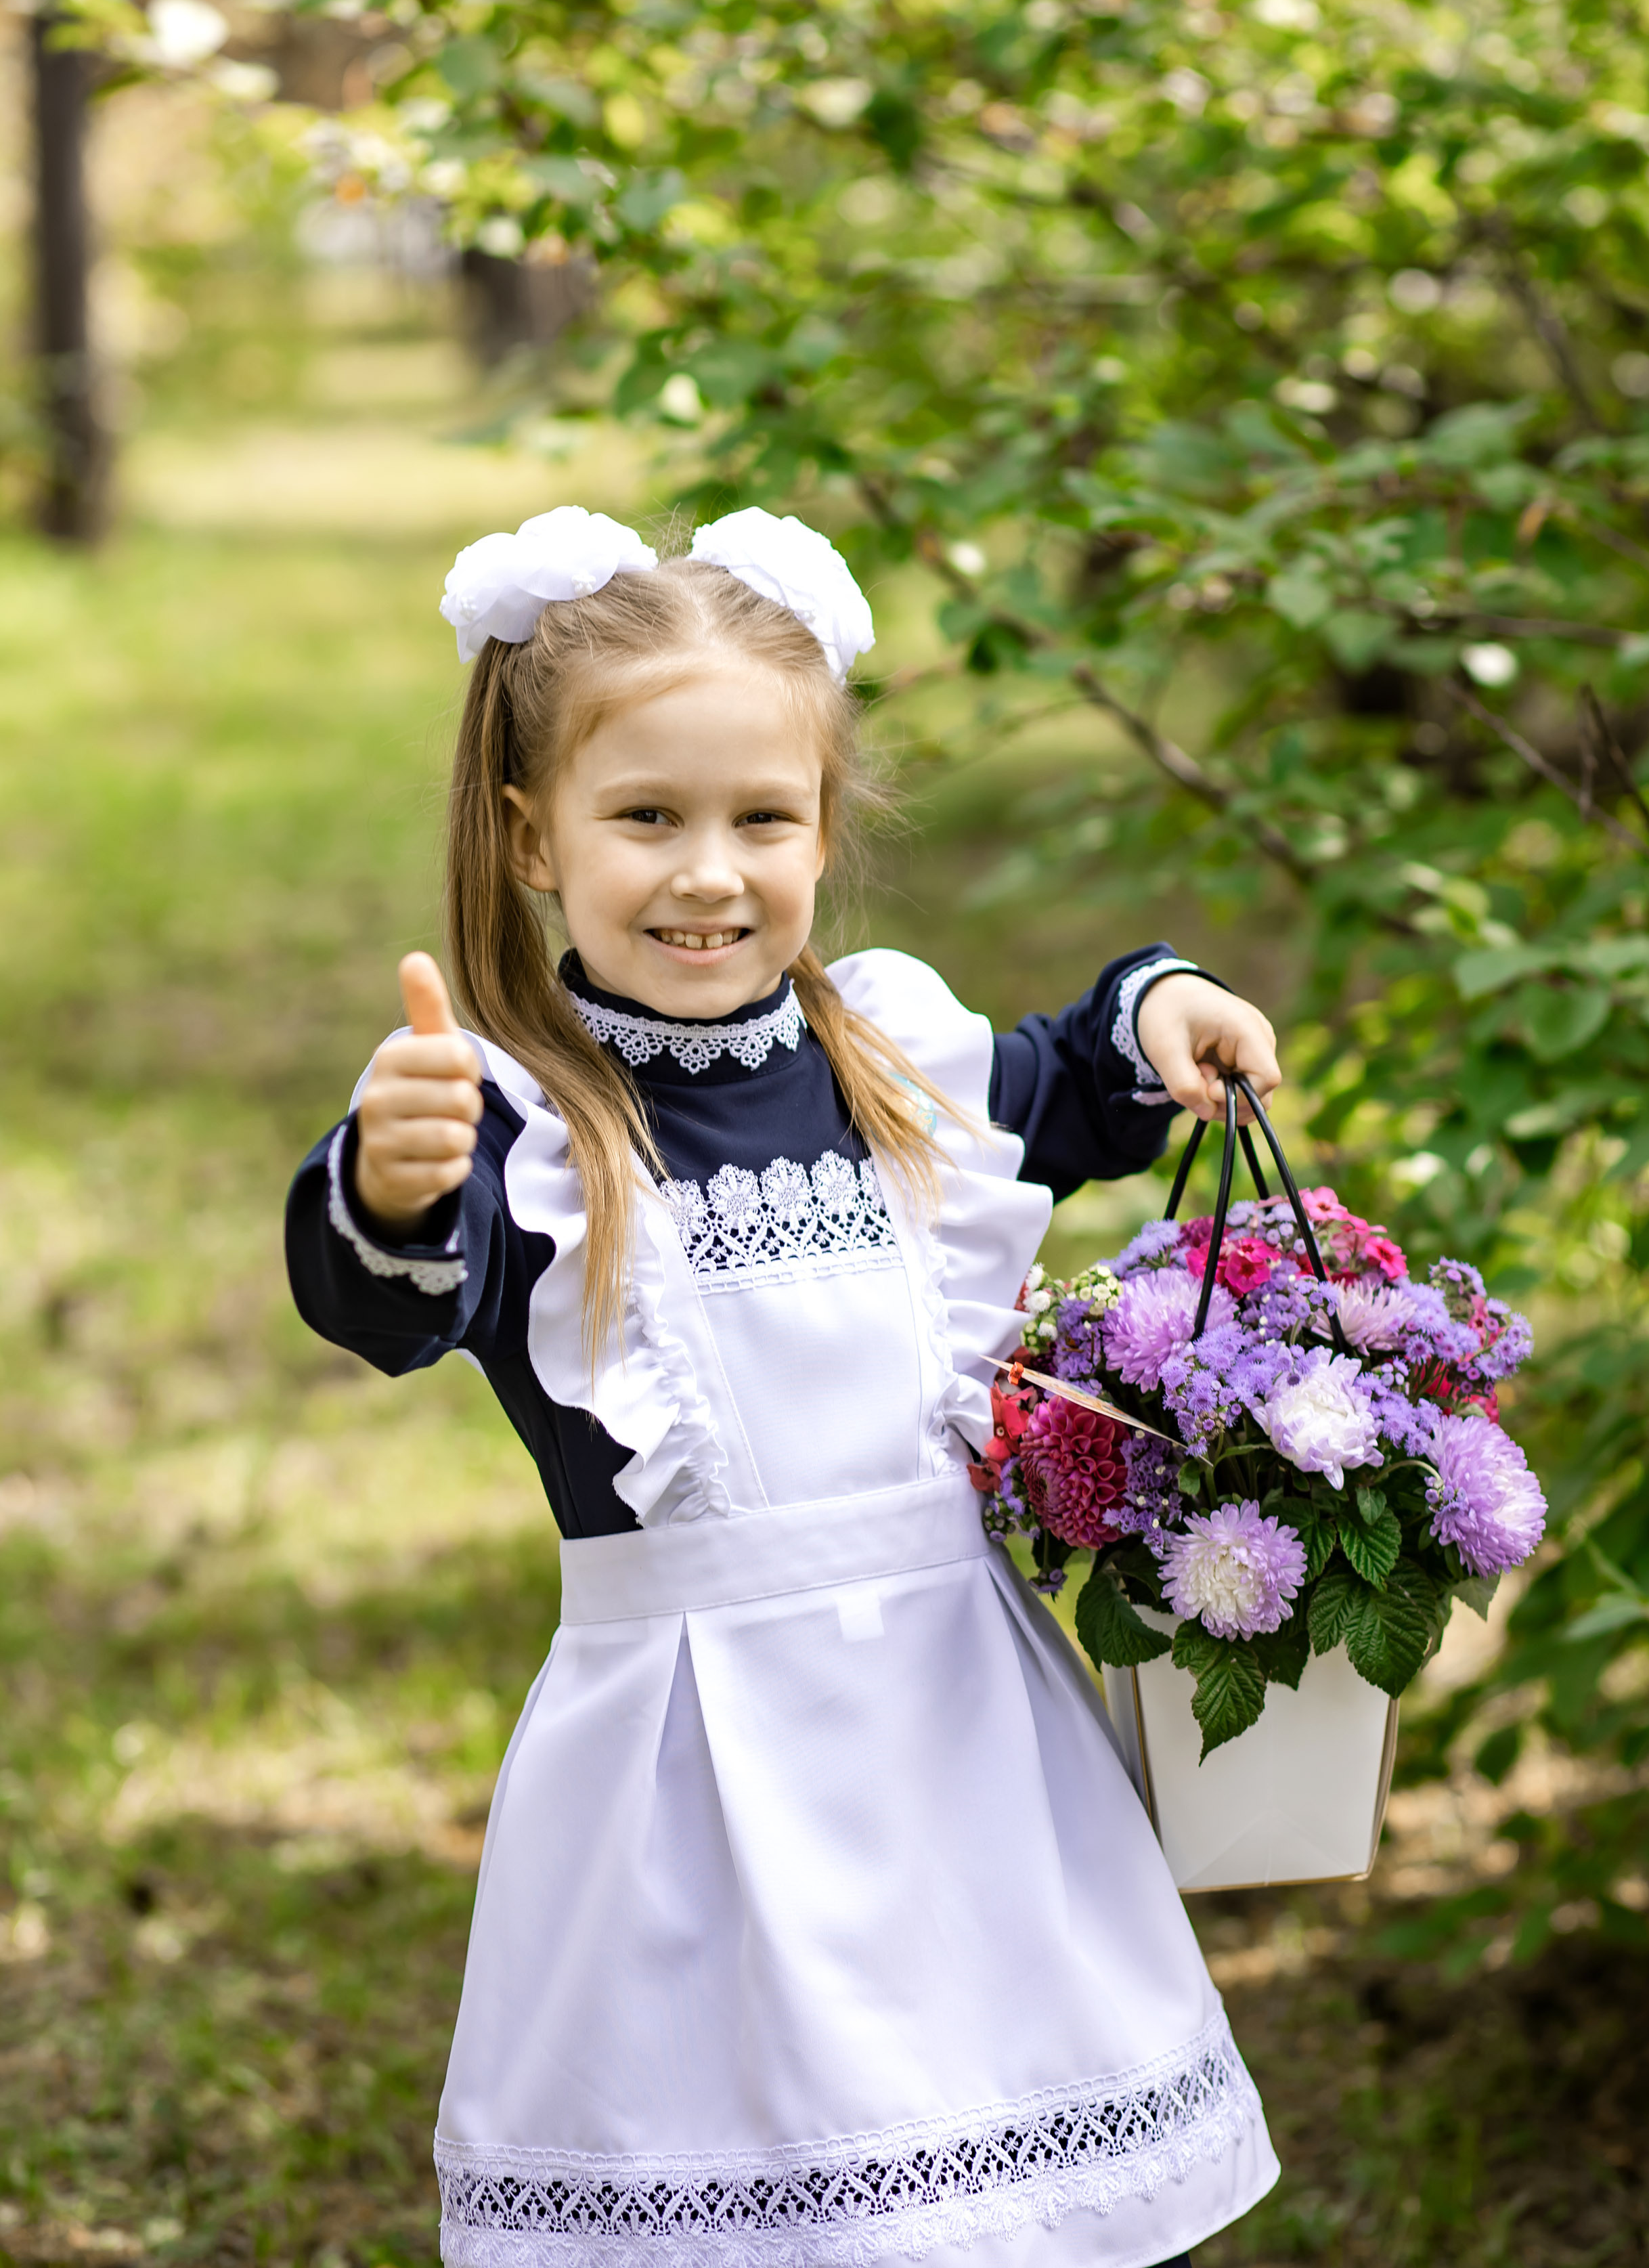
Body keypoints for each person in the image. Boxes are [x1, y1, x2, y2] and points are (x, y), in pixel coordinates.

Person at [284, 505, 1286, 2268]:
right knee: (749, 2160)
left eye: (762, 817)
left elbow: (1071, 1069)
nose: (708, 872)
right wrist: (386, 1178)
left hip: (958, 1727)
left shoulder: (895, 1053)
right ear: (533, 835)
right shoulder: (514, 1123)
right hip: (687, 1760)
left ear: (824, 822)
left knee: (987, 2147)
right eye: (645, 816)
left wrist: (1166, 1000)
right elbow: (385, 1300)